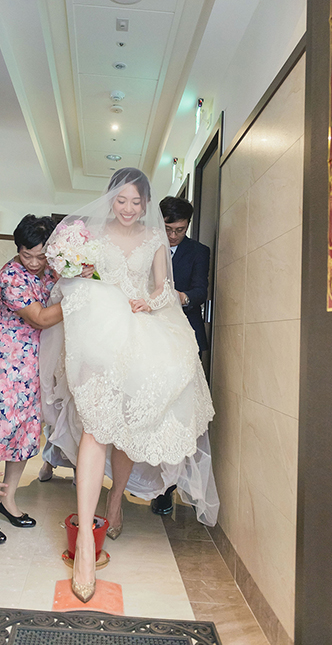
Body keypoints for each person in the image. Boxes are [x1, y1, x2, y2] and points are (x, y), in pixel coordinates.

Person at [41, 167, 216, 603]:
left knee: (125, 428)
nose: (128, 208)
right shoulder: (91, 236)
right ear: (110, 198)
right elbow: (76, 280)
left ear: (146, 204)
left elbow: (163, 288)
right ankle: (85, 541)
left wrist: (148, 302)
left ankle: (115, 499)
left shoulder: (155, 238)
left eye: (136, 202)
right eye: (121, 200)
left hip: (140, 332)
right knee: (97, 426)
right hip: (99, 338)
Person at [0, 215, 63, 544]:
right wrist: (78, 299)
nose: (33, 262)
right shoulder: (10, 276)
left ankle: (6, 499)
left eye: (40, 255)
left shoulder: (50, 270)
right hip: (5, 358)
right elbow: (40, 318)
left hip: (34, 360)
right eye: (25, 254)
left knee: (24, 430)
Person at [150, 195, 211, 516]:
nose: (173, 235)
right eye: (168, 229)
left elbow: (201, 290)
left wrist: (180, 297)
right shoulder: (146, 247)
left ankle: (167, 489)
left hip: (185, 337)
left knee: (179, 414)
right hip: (150, 337)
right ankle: (143, 478)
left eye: (180, 230)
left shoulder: (199, 252)